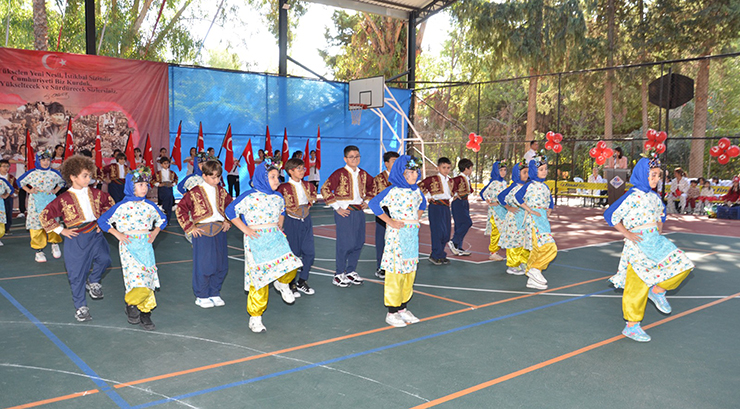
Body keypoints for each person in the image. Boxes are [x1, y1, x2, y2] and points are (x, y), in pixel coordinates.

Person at [603, 153, 695, 342]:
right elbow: (610, 215)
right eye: (652, 175)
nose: (656, 179)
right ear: (642, 174)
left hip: (656, 241)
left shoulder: (654, 197)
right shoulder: (631, 196)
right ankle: (632, 326)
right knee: (636, 285)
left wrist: (659, 228)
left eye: (658, 175)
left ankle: (658, 290)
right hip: (638, 244)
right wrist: (627, 234)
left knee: (683, 264)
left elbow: (661, 214)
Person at [226, 161, 303, 333]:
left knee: (292, 264)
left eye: (278, 177)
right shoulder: (249, 196)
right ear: (262, 178)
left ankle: (282, 284)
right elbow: (230, 211)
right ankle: (256, 318)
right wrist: (245, 229)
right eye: (272, 177)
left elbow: (282, 211)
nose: (277, 180)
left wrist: (280, 224)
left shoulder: (278, 197)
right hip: (257, 240)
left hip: (276, 237)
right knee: (259, 279)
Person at [38, 155, 115, 322]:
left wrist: (102, 222)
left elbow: (110, 205)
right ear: (73, 177)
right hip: (76, 239)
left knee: (105, 259)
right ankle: (81, 307)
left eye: (90, 175)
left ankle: (93, 281)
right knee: (76, 274)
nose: (89, 179)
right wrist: (61, 230)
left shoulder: (97, 193)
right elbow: (45, 215)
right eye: (85, 175)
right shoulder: (63, 198)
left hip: (96, 234)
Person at [99, 167, 166, 330]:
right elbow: (103, 221)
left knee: (148, 280)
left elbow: (163, 219)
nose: (144, 188)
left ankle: (145, 313)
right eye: (140, 185)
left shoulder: (150, 206)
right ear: (131, 186)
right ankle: (131, 303)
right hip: (129, 246)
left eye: (146, 185)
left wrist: (155, 232)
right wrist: (118, 234)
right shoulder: (122, 206)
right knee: (135, 280)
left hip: (146, 246)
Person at [368, 156, 426, 328]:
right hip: (397, 237)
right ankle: (392, 312)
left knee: (409, 272)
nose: (414, 175)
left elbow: (423, 203)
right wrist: (390, 221)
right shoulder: (392, 191)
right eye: (410, 172)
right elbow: (374, 204)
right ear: (401, 173)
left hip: (411, 237)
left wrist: (416, 218)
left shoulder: (416, 191)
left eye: (416, 172)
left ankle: (402, 308)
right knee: (396, 272)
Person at [176, 160, 233, 308]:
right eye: (213, 177)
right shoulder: (194, 192)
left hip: (220, 231)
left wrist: (227, 221)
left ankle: (214, 292)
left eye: (218, 177)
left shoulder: (222, 191)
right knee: (204, 265)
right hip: (202, 232)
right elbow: (180, 209)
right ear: (204, 176)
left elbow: (230, 207)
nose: (216, 180)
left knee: (221, 264)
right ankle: (201, 295)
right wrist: (190, 227)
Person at [320, 145, 374, 287]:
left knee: (358, 242)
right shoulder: (339, 173)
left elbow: (373, 186)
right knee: (345, 243)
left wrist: (367, 201)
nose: (354, 159)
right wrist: (337, 207)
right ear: (345, 159)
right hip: (345, 213)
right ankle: (338, 273)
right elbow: (325, 189)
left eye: (357, 156)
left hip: (359, 212)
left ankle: (351, 271)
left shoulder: (363, 174)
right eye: (351, 157)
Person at [515, 155, 557, 290]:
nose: (544, 172)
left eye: (546, 169)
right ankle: (535, 268)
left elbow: (550, 201)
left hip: (543, 219)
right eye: (541, 169)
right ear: (534, 171)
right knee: (550, 247)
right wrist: (529, 210)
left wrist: (549, 210)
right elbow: (517, 197)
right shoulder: (529, 185)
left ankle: (532, 277)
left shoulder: (545, 187)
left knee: (537, 249)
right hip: (533, 220)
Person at [277, 158, 317, 297]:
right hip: (291, 222)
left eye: (303, 168)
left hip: (306, 221)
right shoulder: (283, 188)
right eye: (298, 169)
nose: (302, 171)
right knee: (293, 253)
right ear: (290, 171)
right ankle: (290, 283)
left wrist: (305, 209)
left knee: (309, 252)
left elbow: (312, 199)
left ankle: (302, 280)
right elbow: (278, 204)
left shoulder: (308, 185)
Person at [17, 149, 65, 262]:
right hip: (35, 203)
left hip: (50, 202)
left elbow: (62, 182)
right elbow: (20, 182)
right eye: (43, 160)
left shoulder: (54, 173)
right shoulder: (32, 173)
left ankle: (54, 243)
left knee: (53, 222)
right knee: (36, 226)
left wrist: (55, 190)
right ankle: (39, 251)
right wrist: (29, 190)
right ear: (38, 161)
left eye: (48, 160)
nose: (46, 162)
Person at [418, 157, 453, 265]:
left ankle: (441, 254)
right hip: (436, 207)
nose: (446, 170)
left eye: (448, 168)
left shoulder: (450, 180)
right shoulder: (431, 179)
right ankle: (435, 255)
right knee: (438, 232)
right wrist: (428, 196)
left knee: (446, 233)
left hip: (446, 207)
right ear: (438, 168)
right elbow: (419, 187)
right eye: (444, 167)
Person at [498, 161, 530, 276]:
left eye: (528, 172)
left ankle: (523, 262)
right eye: (524, 172)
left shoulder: (528, 186)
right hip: (514, 219)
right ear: (517, 173)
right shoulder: (514, 186)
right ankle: (512, 265)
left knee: (524, 241)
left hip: (524, 218)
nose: (527, 175)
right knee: (514, 242)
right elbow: (500, 196)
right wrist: (508, 207)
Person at [371, 151, 399, 278]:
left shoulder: (403, 178)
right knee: (382, 239)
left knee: (396, 240)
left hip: (398, 212)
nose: (396, 164)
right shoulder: (378, 179)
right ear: (386, 163)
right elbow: (373, 197)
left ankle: (396, 265)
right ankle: (381, 267)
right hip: (384, 212)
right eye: (393, 161)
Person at [479, 161, 508, 261]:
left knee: (503, 229)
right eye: (501, 170)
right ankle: (493, 252)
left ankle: (499, 250)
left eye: (504, 170)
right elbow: (483, 193)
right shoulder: (493, 182)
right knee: (496, 231)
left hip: (503, 210)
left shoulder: (504, 182)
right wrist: (488, 200)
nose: (503, 172)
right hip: (495, 211)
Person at [448, 158, 474, 256]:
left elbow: (469, 190)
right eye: (471, 168)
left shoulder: (467, 178)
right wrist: (454, 194)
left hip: (465, 202)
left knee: (459, 225)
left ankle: (458, 247)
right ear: (466, 168)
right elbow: (449, 186)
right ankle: (454, 241)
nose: (471, 170)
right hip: (458, 203)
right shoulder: (458, 178)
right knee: (467, 222)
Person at [152, 157, 178, 224]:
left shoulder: (172, 172)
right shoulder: (158, 173)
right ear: (161, 164)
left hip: (169, 187)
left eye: (167, 163)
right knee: (166, 200)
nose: (166, 165)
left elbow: (176, 179)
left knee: (169, 204)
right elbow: (152, 180)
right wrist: (158, 184)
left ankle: (167, 220)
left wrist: (173, 184)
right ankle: (164, 210)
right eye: (164, 163)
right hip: (162, 188)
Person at [0, 159, 17, 234]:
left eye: (7, 166)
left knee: (8, 212)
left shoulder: (11, 178)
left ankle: (7, 228)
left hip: (8, 197)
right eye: (4, 166)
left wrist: (12, 194)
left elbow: (16, 188)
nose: (6, 168)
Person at [0, 172, 13, 246]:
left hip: (0, 205)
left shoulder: (2, 181)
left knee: (1, 224)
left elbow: (11, 189)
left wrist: (5, 195)